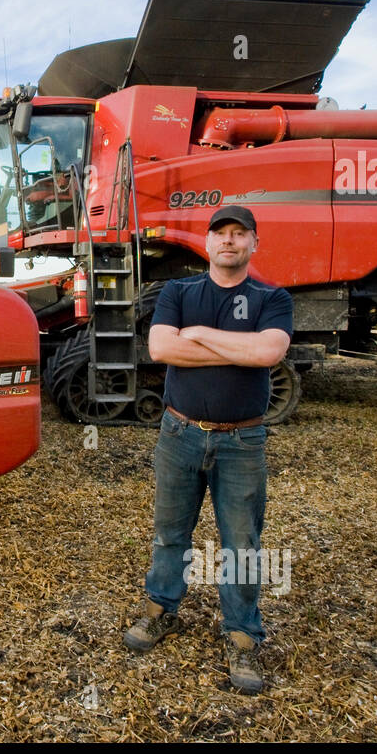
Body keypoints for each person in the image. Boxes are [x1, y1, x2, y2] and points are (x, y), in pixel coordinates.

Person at [123, 205, 293, 694]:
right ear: (208, 242)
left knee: (242, 543)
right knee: (169, 531)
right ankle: (159, 612)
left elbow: (267, 354)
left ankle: (242, 638)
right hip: (180, 434)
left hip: (243, 439)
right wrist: (235, 346)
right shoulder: (179, 291)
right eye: (221, 233)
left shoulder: (272, 297)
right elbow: (162, 349)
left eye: (240, 234)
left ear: (253, 244)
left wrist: (197, 335)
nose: (229, 241)